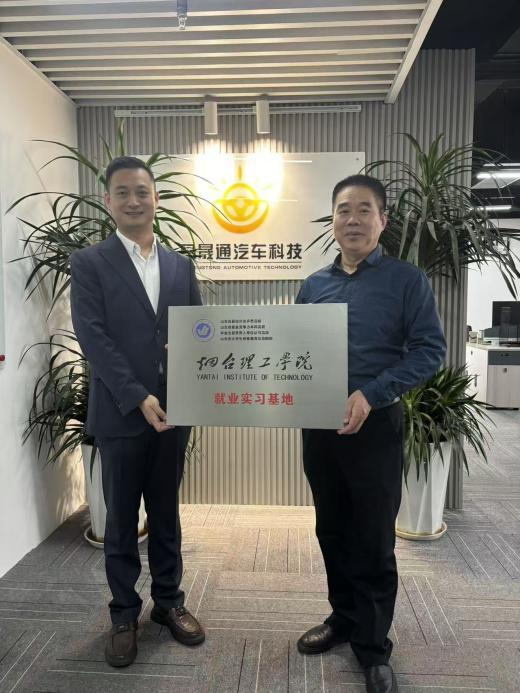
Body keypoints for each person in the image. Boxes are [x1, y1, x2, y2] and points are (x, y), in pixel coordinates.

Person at [295, 174, 446, 693]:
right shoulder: (313, 286)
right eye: (344, 210)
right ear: (333, 219)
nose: (353, 219)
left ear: (383, 219)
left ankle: (374, 646)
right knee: (332, 529)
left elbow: (429, 350)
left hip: (375, 426)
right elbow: (292, 352)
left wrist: (370, 394)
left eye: (364, 210)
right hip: (320, 427)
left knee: (375, 538)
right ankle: (343, 617)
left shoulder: (407, 281)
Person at [70, 156, 204, 668]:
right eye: (123, 192)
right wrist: (137, 395)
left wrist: (197, 389)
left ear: (156, 198)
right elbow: (94, 340)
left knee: (167, 513)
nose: (133, 200)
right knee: (122, 520)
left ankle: (169, 603)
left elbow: (197, 332)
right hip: (122, 413)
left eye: (142, 192)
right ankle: (124, 614)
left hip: (172, 412)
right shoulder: (89, 263)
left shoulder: (180, 266)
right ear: (108, 201)